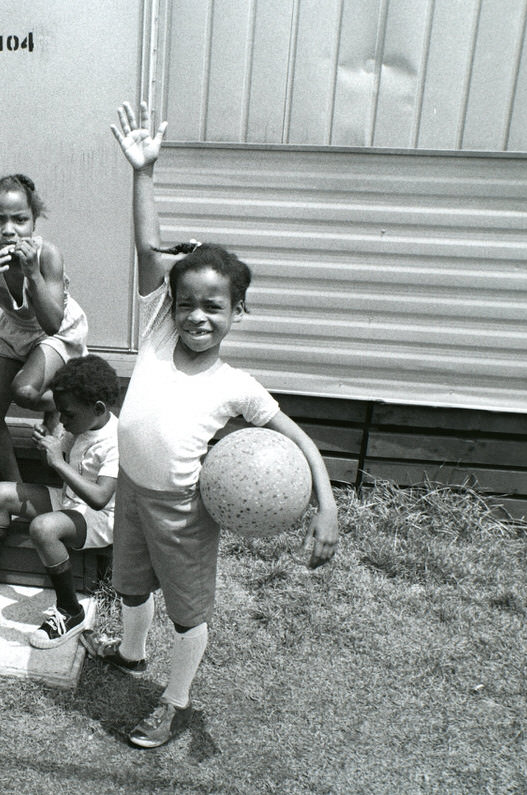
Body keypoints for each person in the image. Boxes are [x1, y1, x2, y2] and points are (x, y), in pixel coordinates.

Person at [80, 102, 339, 750]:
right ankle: (132, 654)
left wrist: (327, 506)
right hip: (132, 489)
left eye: (213, 306)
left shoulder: (236, 385)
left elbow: (300, 439)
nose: (197, 315)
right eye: (188, 302)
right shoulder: (159, 329)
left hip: (183, 510)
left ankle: (175, 701)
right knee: (131, 586)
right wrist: (145, 172)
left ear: (236, 312)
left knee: (188, 611)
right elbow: (148, 250)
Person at [0, 355, 119, 649]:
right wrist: (51, 444)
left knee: (43, 528)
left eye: (68, 415)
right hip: (70, 502)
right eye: (60, 414)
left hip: (99, 518)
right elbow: (66, 463)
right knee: (1, 493)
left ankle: (70, 610)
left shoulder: (114, 440)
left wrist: (58, 462)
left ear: (97, 409)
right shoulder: (81, 425)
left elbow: (99, 499)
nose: (64, 421)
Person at [0, 173, 89, 482]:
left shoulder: (47, 256)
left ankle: (69, 402)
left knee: (24, 391)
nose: (8, 231)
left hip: (57, 330)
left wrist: (32, 275)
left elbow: (51, 323)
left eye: (19, 220)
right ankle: (14, 488)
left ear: (34, 222)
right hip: (16, 330)